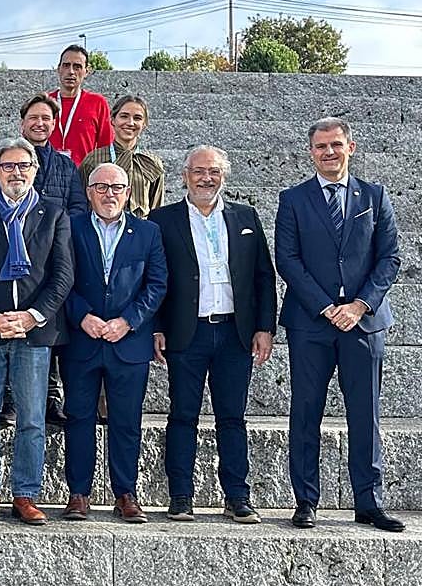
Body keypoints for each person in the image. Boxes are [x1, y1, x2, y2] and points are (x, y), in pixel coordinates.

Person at [276, 118, 404, 532]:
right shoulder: (292, 199)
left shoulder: (375, 195)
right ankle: (305, 501)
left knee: (365, 414)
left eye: (335, 145)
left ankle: (369, 502)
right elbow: (287, 260)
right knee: (305, 411)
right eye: (320, 146)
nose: (328, 152)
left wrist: (360, 305)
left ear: (351, 147)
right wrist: (328, 306)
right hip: (311, 324)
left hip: (364, 325)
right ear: (310, 152)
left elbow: (389, 258)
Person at [150, 146, 275, 524]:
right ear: (185, 175)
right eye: (199, 171)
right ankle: (181, 496)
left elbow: (263, 278)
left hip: (235, 333)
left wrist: (265, 328)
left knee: (232, 417)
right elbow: (155, 278)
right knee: (182, 415)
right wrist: (156, 327)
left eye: (214, 172)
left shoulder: (246, 217)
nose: (207, 178)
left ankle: (237, 496)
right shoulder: (163, 220)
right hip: (187, 334)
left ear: (224, 176)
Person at [0, 139, 74, 524]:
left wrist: (32, 316)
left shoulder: (54, 214)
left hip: (35, 333)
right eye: (8, 166)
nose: (16, 172)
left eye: (24, 165)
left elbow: (62, 274)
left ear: (35, 170)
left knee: (31, 418)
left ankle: (25, 494)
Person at [62, 163, 167, 524]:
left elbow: (157, 285)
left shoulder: (148, 232)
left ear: (128, 193)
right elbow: (61, 278)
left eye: (117, 187)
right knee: (79, 418)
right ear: (89, 191)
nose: (110, 194)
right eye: (102, 187)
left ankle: (126, 493)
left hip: (128, 341)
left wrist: (128, 321)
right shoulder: (71, 227)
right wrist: (82, 316)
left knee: (127, 420)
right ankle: (78, 493)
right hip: (82, 339)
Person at [0, 93, 90, 427]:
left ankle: (51, 399)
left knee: (47, 326)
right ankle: (9, 401)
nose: (40, 124)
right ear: (22, 122)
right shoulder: (7, 159)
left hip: (52, 256)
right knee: (10, 324)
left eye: (46, 119)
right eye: (33, 118)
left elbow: (79, 208)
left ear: (54, 125)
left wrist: (57, 231)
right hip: (11, 255)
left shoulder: (66, 166)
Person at [80, 95, 164, 218]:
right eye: (124, 116)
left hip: (141, 232)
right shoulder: (93, 160)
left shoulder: (152, 163)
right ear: (113, 120)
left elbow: (157, 207)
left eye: (137, 118)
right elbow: (83, 202)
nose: (130, 123)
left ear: (144, 124)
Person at [47, 44, 113, 165]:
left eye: (77, 67)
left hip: (83, 177)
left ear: (86, 71)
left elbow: (106, 146)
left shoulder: (98, 103)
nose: (71, 71)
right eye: (66, 65)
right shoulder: (45, 102)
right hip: (47, 175)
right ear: (58, 69)